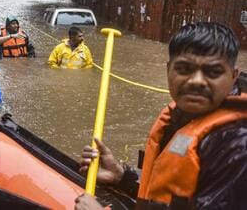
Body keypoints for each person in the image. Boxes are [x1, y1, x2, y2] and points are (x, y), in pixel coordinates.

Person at [75, 22, 246, 210]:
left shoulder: (237, 146)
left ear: (233, 76)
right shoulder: (181, 117)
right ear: (168, 70)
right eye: (184, 69)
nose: (197, 81)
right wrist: (122, 177)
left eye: (213, 72)